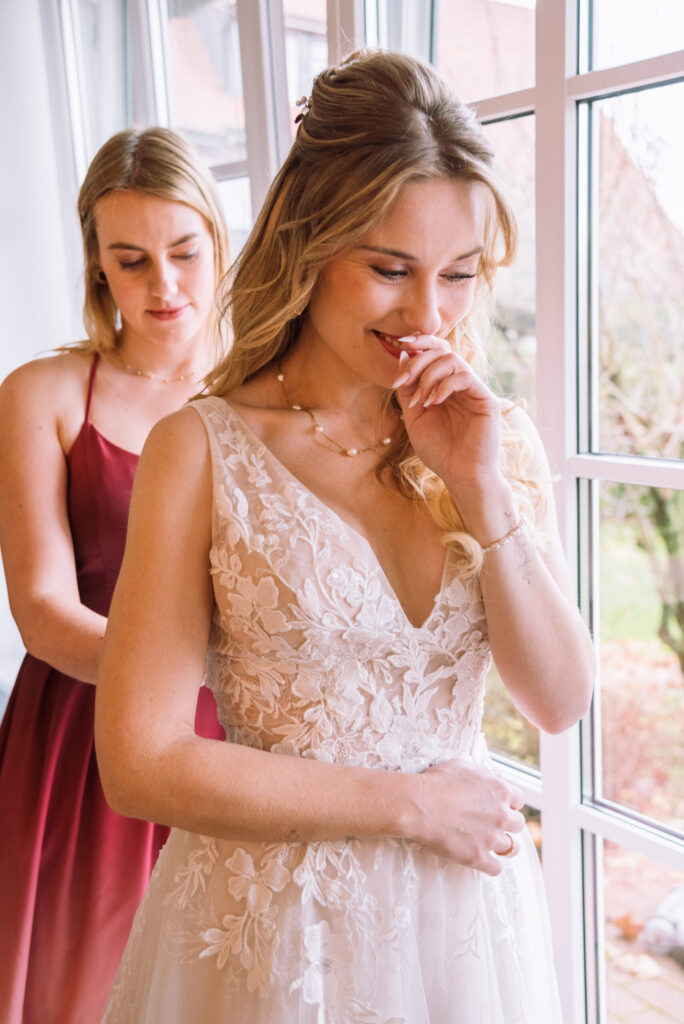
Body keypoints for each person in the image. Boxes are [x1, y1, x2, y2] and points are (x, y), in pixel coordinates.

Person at [96, 52, 595, 1023]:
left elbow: (560, 698)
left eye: (458, 275)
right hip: (275, 935)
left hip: (467, 932)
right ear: (309, 240)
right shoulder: (199, 451)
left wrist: (485, 492)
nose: (429, 315)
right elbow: (141, 759)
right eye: (390, 269)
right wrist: (409, 807)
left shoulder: (496, 439)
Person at [0, 126, 230, 1024]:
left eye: (183, 252)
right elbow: (45, 610)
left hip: (239, 741)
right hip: (84, 739)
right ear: (98, 266)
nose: (164, 286)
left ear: (219, 240)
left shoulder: (267, 394)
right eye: (132, 260)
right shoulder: (43, 394)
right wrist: (190, 680)